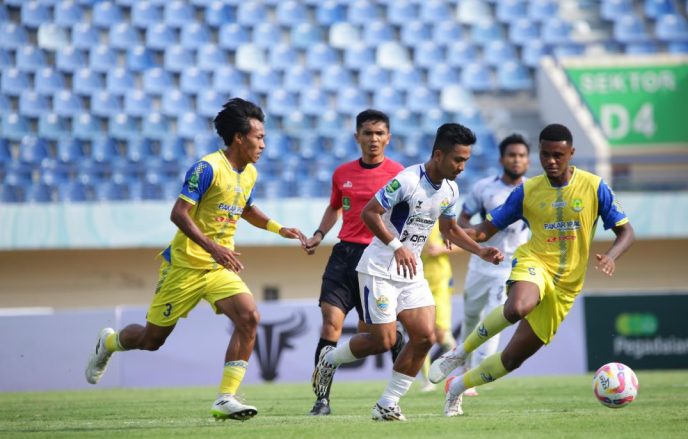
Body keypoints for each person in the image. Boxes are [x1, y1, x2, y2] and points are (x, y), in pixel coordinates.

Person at [85, 98, 307, 421]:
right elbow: (178, 213)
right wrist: (213, 247)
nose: (263, 143)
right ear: (238, 138)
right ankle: (109, 342)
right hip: (185, 267)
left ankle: (225, 398)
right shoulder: (207, 168)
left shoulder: (249, 174)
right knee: (151, 340)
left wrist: (278, 228)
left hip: (219, 267)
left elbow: (245, 208)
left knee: (249, 317)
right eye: (258, 137)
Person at [429, 123, 635, 417]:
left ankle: (457, 386)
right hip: (534, 263)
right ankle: (460, 352)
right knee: (517, 307)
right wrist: (456, 234)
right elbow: (485, 230)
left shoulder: (594, 187)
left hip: (567, 287)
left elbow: (626, 232)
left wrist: (613, 255)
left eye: (558, 155)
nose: (551, 161)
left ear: (571, 153)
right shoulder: (526, 191)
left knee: (513, 359)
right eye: (546, 154)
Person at [311, 123, 504, 421]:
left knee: (425, 337)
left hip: (411, 271)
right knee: (382, 340)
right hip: (378, 267)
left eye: (466, 160)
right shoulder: (407, 180)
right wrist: (396, 245)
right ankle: (329, 359)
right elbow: (369, 213)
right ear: (438, 154)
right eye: (458, 159)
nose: (462, 166)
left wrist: (480, 250)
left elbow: (449, 229)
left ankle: (387, 403)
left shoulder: (451, 189)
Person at [303, 109, 405, 416]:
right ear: (356, 137)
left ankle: (396, 386)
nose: (373, 139)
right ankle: (322, 400)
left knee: (377, 338)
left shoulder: (398, 174)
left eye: (379, 133)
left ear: (388, 138)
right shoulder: (342, 173)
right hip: (343, 256)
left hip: (376, 259)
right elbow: (335, 207)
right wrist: (320, 233)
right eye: (367, 133)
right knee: (331, 323)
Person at [457, 134, 531, 396]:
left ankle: (472, 381)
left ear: (528, 160)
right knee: (470, 319)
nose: (517, 159)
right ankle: (462, 363)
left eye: (522, 155)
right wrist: (474, 241)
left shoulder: (534, 190)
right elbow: (463, 218)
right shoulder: (483, 188)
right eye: (512, 155)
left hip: (511, 267)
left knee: (494, 319)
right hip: (480, 264)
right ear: (502, 159)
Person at [418, 224, 458, 392]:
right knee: (421, 333)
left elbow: (462, 241)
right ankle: (427, 381)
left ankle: (456, 376)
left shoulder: (442, 217)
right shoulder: (411, 218)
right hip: (419, 280)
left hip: (440, 281)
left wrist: (442, 249)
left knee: (442, 335)